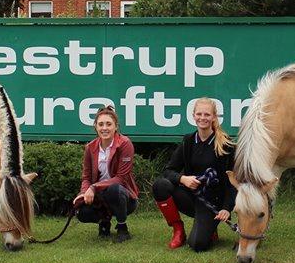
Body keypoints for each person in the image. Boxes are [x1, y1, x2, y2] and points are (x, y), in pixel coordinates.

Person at [152, 97, 236, 251]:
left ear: (214, 117)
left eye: (207, 114)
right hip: (191, 197)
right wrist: (182, 179)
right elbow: (168, 171)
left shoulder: (225, 145)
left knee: (197, 245)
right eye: (199, 114)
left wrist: (226, 208)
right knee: (160, 186)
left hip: (212, 203)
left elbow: (233, 182)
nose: (202, 118)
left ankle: (209, 228)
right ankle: (178, 230)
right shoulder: (188, 141)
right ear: (193, 116)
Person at [74, 105, 139, 242]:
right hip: (99, 196)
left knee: (114, 189)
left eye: (109, 124)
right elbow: (86, 177)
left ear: (116, 126)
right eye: (101, 124)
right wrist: (83, 193)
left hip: (124, 196)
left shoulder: (125, 144)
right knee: (81, 212)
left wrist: (94, 187)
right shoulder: (90, 147)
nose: (104, 128)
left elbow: (121, 178)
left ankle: (122, 228)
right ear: (95, 127)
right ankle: (104, 222)